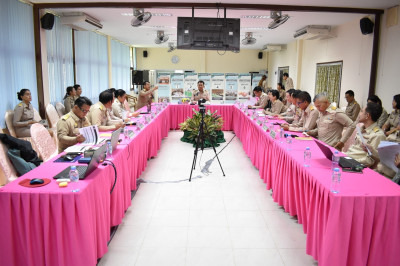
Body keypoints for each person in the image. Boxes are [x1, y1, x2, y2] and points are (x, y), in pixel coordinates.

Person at [345, 102, 386, 167]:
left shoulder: (378, 135)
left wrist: (349, 160)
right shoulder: (361, 129)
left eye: (361, 111)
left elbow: (369, 161)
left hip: (356, 166)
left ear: (367, 115)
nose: (359, 114)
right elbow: (354, 149)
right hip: (347, 158)